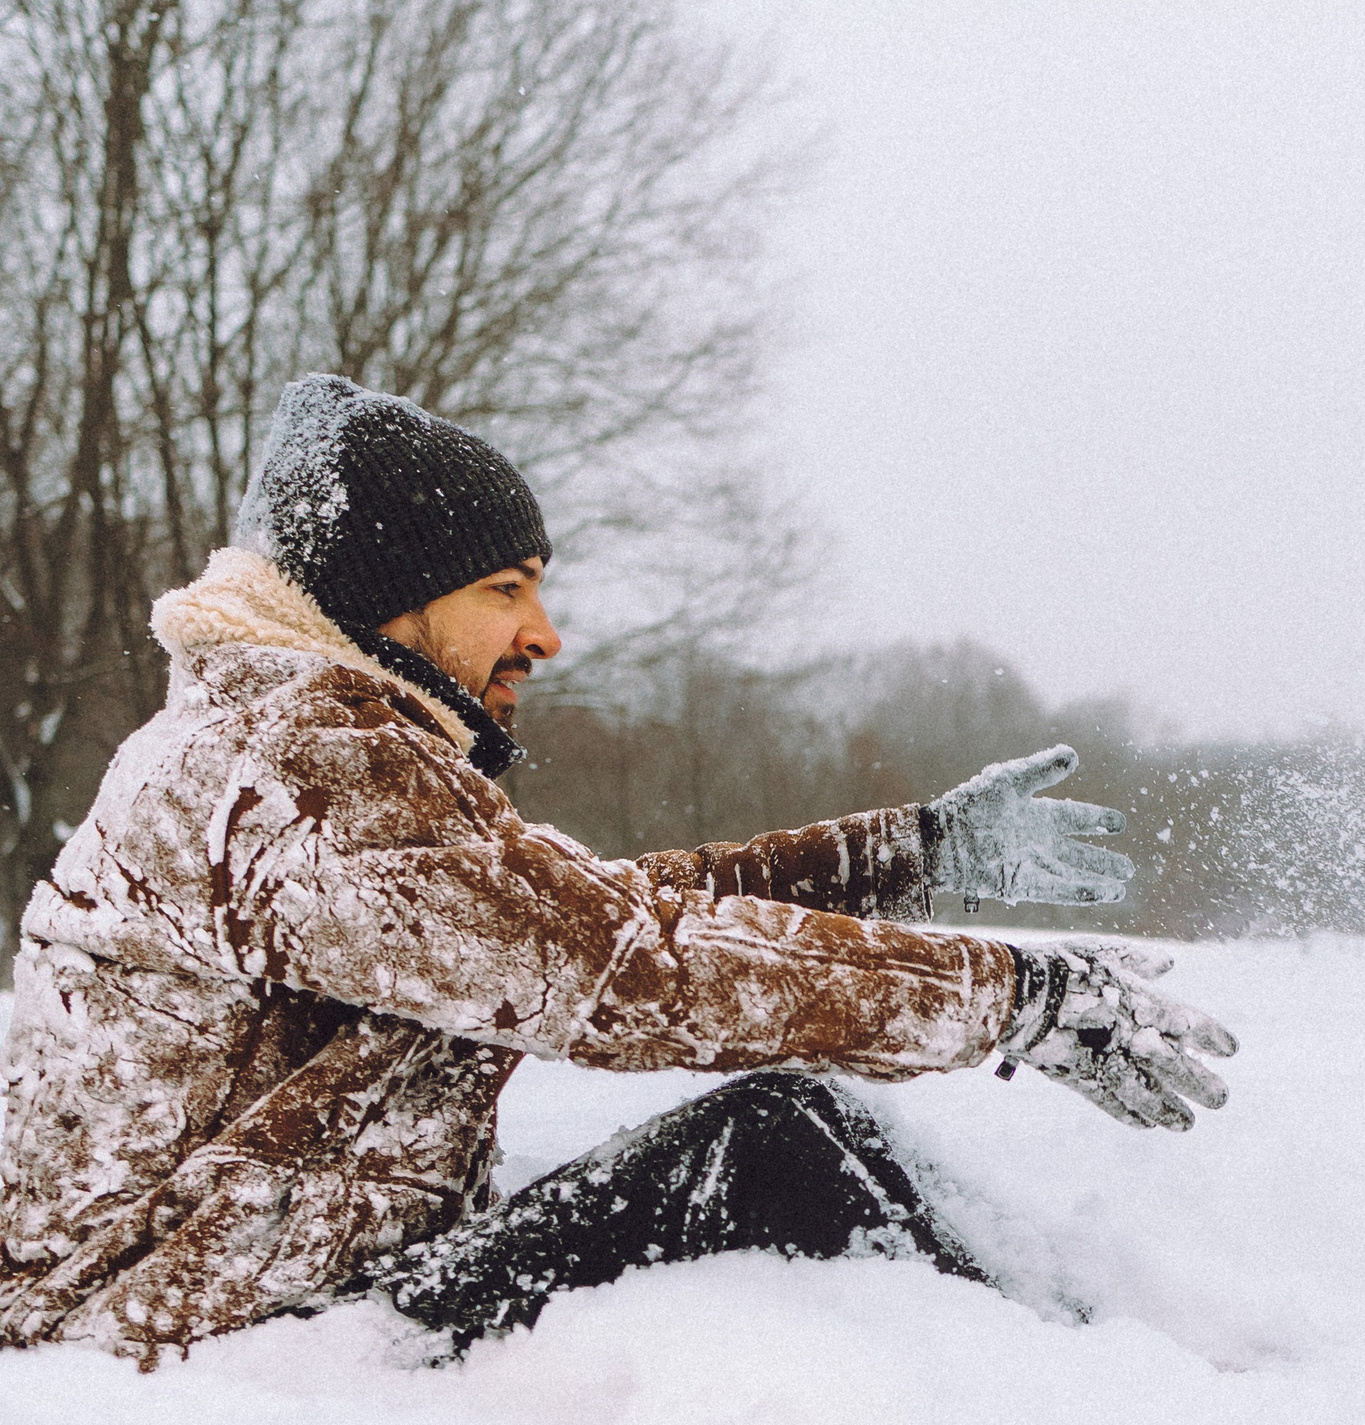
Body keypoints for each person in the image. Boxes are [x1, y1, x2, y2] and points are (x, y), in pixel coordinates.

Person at [0, 375, 1235, 1365]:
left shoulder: (284, 745)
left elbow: (580, 915)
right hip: (185, 1332)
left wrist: (899, 857)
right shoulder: (301, 769)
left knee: (768, 1140)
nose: (542, 634)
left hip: (219, 1288)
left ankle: (1090, 1358)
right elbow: (621, 968)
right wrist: (1011, 996)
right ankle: (1091, 1393)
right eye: (505, 590)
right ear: (385, 601)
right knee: (772, 1140)